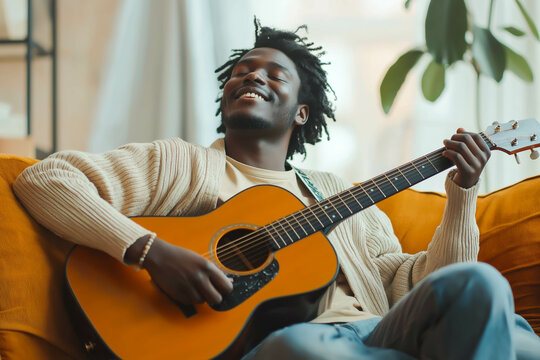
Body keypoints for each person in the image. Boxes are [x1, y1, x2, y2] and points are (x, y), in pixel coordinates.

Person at [13, 19, 540, 359]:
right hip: (300, 347)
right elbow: (47, 179)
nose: (252, 76)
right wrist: (151, 252)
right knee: (305, 351)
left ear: (302, 113)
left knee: (481, 287)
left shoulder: (339, 194)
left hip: (381, 335)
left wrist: (462, 191)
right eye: (241, 71)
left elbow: (416, 285)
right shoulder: (181, 164)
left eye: (274, 74)